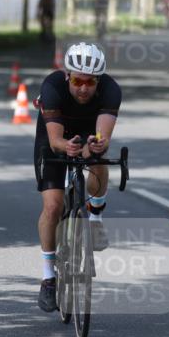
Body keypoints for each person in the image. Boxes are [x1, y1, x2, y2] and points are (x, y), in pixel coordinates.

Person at [34, 43, 121, 313]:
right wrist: (67, 147)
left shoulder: (110, 90)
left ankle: (95, 219)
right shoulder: (52, 87)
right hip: (53, 139)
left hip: (87, 133)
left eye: (90, 82)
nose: (84, 88)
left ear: (99, 81)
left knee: (99, 158)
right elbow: (55, 140)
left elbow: (103, 136)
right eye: (78, 80)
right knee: (53, 206)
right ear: (67, 77)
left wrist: (95, 146)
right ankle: (49, 278)